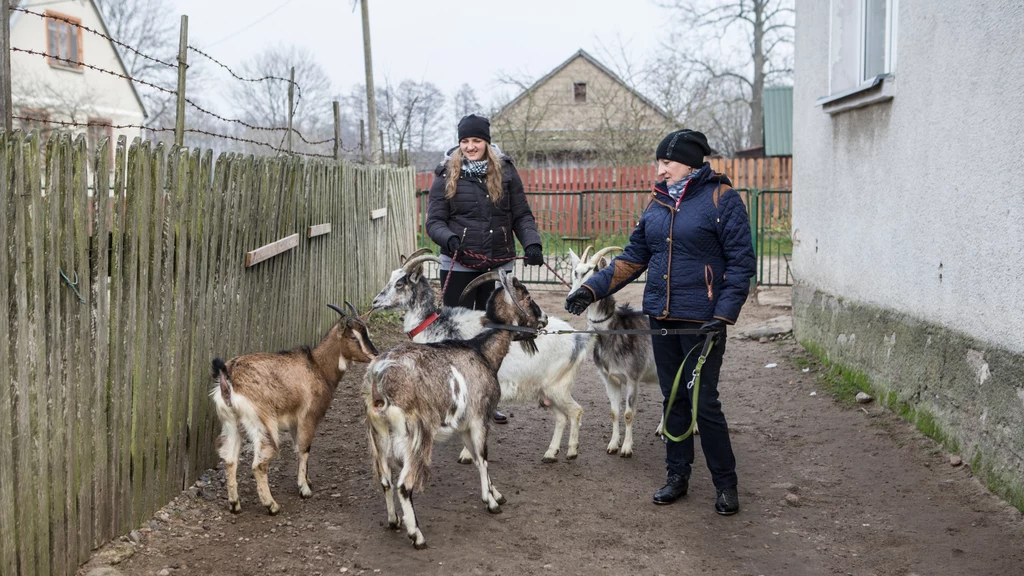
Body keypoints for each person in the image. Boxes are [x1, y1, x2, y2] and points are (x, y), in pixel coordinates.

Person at [563, 129, 755, 515]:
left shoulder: (722, 199)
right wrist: (592, 289)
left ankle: (726, 483)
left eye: (667, 162)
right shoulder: (657, 202)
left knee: (705, 404)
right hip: (662, 319)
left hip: (702, 322)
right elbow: (633, 257)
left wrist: (722, 315)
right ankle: (677, 475)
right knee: (673, 398)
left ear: (689, 162)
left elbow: (741, 264)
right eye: (660, 162)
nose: (661, 168)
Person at [426, 113, 544, 424]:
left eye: (476, 140)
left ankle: (487, 399)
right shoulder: (444, 173)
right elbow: (434, 221)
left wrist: (532, 243)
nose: (470, 146)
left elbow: (521, 215)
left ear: (487, 142)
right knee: (454, 337)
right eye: (465, 141)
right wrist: (448, 239)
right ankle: (451, 401)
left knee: (494, 336)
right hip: (459, 265)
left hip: (498, 265)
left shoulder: (505, 173)